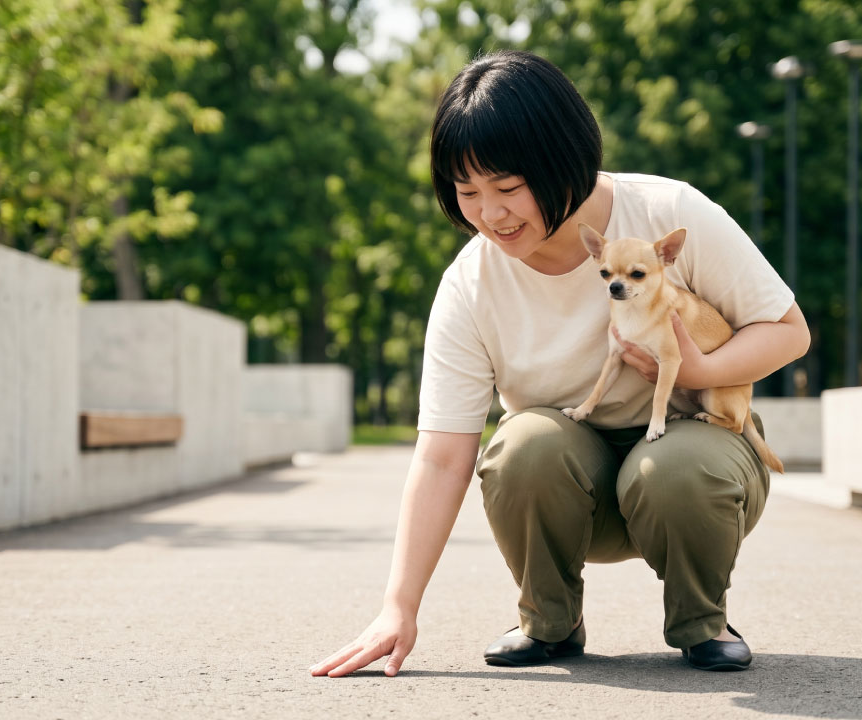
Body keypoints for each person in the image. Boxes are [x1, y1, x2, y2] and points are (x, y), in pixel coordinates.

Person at [310, 50, 809, 678]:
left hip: (694, 471)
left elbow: (788, 331)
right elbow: (441, 456)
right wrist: (397, 607)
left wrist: (697, 373)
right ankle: (548, 621)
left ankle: (702, 621)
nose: (490, 215)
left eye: (507, 188)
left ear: (563, 161)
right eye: (467, 192)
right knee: (522, 446)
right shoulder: (471, 284)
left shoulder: (667, 215)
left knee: (675, 468)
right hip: (573, 491)